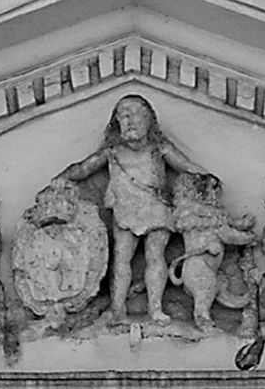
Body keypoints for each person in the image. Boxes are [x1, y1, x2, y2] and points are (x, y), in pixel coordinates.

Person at [56, 95, 205, 324]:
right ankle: (118, 309)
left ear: (149, 121)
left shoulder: (159, 149)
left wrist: (207, 180)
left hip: (156, 206)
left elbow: (186, 167)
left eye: (136, 114)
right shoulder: (113, 152)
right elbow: (84, 168)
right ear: (117, 123)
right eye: (124, 115)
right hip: (125, 208)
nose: (130, 120)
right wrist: (62, 178)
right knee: (121, 258)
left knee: (155, 256)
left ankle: (155, 308)